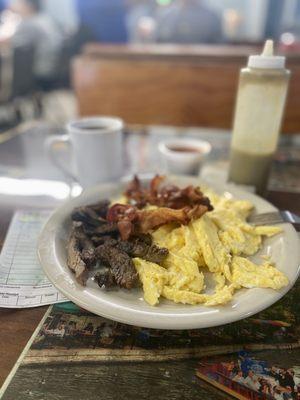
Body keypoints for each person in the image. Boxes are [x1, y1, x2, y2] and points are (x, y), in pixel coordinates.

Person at [10, 0, 63, 84]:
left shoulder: (30, 23)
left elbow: (11, 43)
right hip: (53, 66)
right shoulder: (45, 19)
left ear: (29, 6)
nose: (15, 5)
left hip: (40, 69)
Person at [155, 0, 223, 44]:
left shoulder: (212, 17)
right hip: (169, 64)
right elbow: (159, 42)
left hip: (204, 64)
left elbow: (220, 46)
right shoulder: (167, 16)